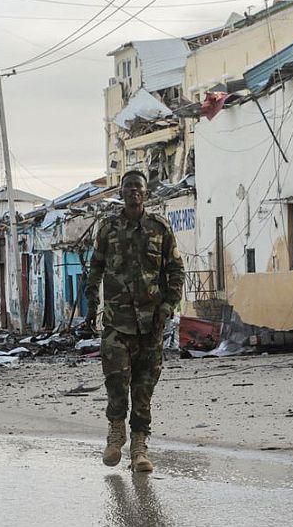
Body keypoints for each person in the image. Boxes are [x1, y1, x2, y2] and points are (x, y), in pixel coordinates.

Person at [84, 169, 184, 473]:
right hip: (117, 322)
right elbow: (95, 269)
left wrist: (168, 305)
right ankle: (116, 433)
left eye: (138, 188)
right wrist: (92, 302)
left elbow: (176, 272)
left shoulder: (160, 228)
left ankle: (139, 447)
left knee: (144, 388)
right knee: (116, 381)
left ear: (146, 193)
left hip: (151, 323)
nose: (133, 192)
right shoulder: (108, 229)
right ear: (121, 191)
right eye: (128, 187)